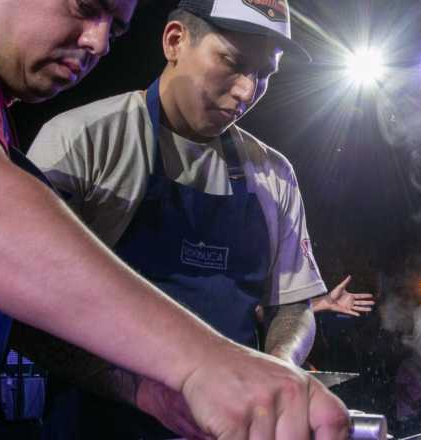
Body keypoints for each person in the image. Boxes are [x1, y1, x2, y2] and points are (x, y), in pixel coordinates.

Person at [0, 0, 348, 438]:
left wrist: (155, 389)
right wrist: (202, 363)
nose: (98, 42)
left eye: (115, 28)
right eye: (84, 6)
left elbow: (6, 292)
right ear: (174, 41)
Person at [26, 1, 368, 437]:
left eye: (264, 74)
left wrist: (277, 369)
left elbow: (292, 306)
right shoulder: (84, 141)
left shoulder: (273, 174)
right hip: (98, 422)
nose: (247, 90)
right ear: (174, 41)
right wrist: (141, 390)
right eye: (233, 63)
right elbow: (30, 312)